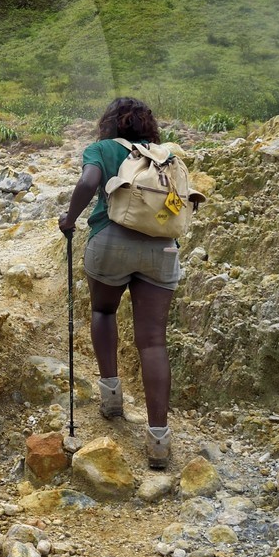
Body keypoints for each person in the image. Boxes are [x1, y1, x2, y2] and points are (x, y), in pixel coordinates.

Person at [56, 97, 191, 469]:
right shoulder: (164, 155)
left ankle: (111, 398)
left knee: (103, 310)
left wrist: (69, 219)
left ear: (110, 124)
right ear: (148, 127)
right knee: (153, 341)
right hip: (161, 250)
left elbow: (88, 181)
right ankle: (159, 441)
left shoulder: (101, 149)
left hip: (110, 242)